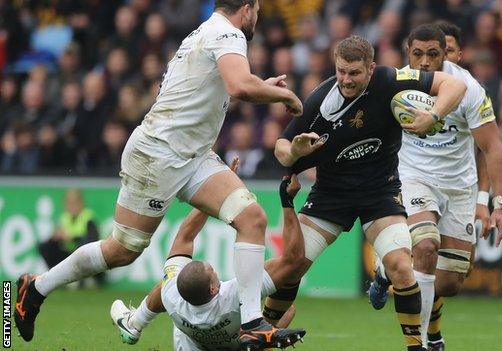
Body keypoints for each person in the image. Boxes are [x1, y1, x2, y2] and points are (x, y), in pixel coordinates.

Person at [14, 1, 305, 348]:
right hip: (158, 155)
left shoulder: (206, 32)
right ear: (248, 8)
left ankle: (252, 323)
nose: (257, 17)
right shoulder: (229, 33)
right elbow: (239, 86)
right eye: (257, 9)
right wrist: (283, 94)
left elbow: (222, 86)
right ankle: (35, 289)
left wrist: (262, 84)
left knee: (252, 218)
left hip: (193, 156)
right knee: (122, 250)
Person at [265, 35, 467, 351]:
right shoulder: (321, 102)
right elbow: (281, 148)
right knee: (291, 266)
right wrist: (294, 152)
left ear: (371, 68)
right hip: (330, 196)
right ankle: (259, 333)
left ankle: (417, 347)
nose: (346, 79)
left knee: (402, 266)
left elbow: (454, 86)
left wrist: (433, 114)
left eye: (354, 73)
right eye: (341, 71)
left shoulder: (390, 80)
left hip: (380, 192)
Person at [367, 24, 502, 351]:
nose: (424, 62)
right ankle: (419, 344)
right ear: (408, 53)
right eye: (417, 54)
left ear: (445, 55)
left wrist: (497, 204)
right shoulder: (396, 84)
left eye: (433, 54)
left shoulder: (468, 88)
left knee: (448, 282)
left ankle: (384, 268)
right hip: (412, 177)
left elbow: (492, 147)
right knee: (426, 247)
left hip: (458, 187)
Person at [110, 175, 306, 351]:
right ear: (214, 289)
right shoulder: (232, 295)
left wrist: (211, 194)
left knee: (164, 285)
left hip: (190, 345)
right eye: (211, 270)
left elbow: (185, 236)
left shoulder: (173, 297)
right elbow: (293, 261)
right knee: (287, 309)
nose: (213, 268)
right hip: (237, 342)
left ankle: (135, 323)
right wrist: (287, 202)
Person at [37, 189, 102, 286]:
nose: (71, 206)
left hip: (85, 257)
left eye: (74, 203)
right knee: (44, 246)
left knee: (84, 250)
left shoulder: (88, 218)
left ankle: (87, 279)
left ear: (81, 203)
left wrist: (71, 238)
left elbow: (93, 242)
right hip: (69, 254)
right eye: (69, 203)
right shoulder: (64, 218)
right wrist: (54, 238)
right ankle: (55, 277)